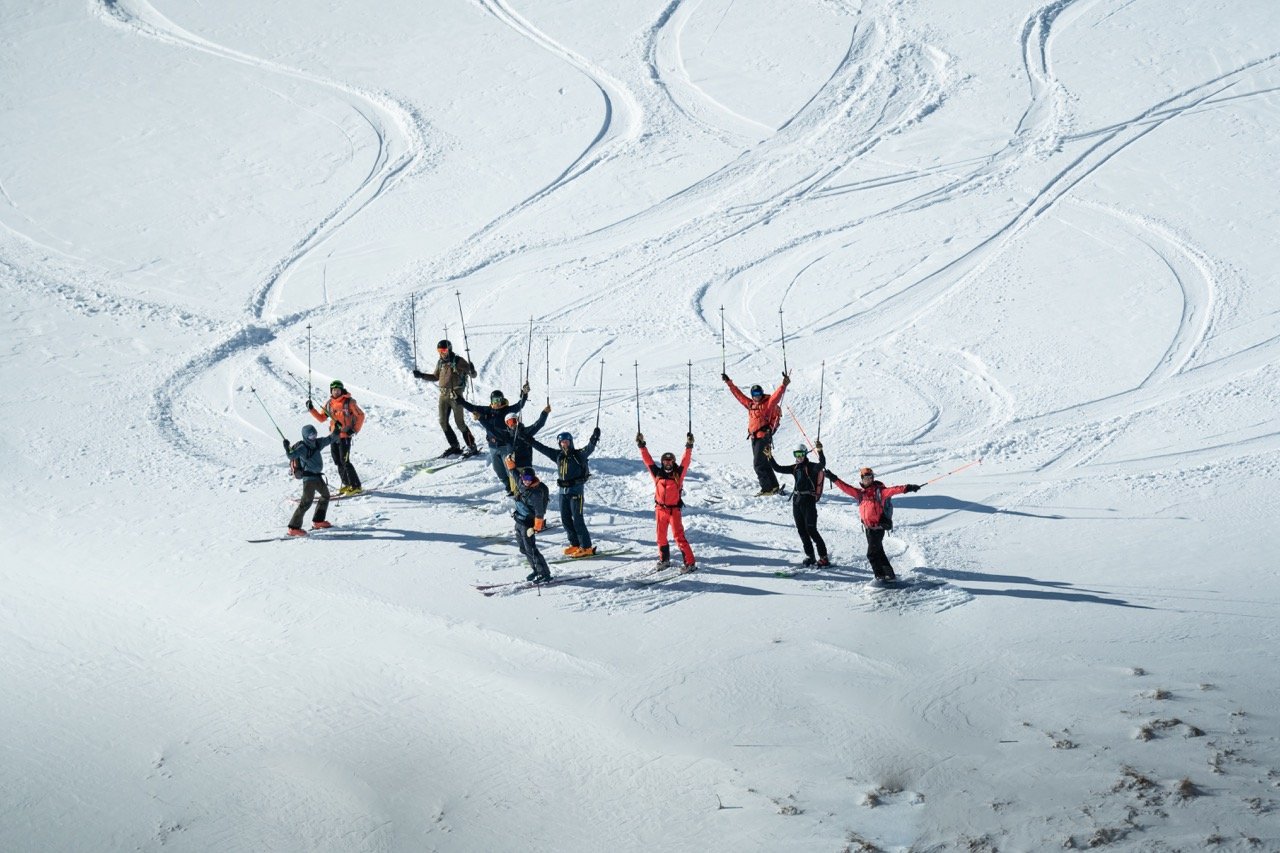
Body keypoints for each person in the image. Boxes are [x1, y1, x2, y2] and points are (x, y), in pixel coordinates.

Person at [825, 466, 920, 581]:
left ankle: (880, 576)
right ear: (862, 479)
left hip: (878, 528)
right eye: (866, 478)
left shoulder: (879, 492)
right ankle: (889, 575)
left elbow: (894, 490)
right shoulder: (860, 493)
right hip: (868, 529)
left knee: (871, 554)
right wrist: (833, 478)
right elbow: (845, 487)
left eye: (870, 477)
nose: (868, 480)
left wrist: (909, 488)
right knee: (879, 552)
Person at [529, 427, 601, 557]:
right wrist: (529, 439)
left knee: (577, 520)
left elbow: (589, 448)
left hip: (576, 492)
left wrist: (594, 438)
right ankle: (575, 544)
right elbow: (542, 448)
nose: (564, 444)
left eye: (566, 441)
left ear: (571, 442)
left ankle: (586, 547)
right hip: (563, 493)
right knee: (565, 519)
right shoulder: (558, 456)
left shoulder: (579, 455)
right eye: (562, 442)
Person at [636, 431, 696, 572]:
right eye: (665, 461)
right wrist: (641, 445)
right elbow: (648, 460)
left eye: (670, 461)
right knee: (661, 537)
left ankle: (690, 563)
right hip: (660, 510)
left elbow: (686, 462)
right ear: (662, 462)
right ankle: (664, 560)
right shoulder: (657, 473)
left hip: (673, 510)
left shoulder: (678, 474)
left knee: (678, 537)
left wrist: (689, 446)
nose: (668, 463)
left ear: (673, 462)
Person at [722, 371, 790, 494]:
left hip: (764, 437)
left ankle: (766, 488)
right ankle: (774, 486)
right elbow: (738, 395)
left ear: (762, 393)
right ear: (752, 395)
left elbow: (776, 397)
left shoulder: (767, 405)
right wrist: (729, 382)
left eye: (759, 393)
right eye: (754, 394)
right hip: (754, 438)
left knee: (758, 464)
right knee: (764, 462)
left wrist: (783, 385)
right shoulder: (750, 404)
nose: (757, 396)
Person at [412, 339, 479, 457]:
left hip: (456, 396)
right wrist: (421, 375)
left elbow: (472, 375)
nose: (441, 353)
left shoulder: (458, 361)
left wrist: (472, 370)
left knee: (460, 423)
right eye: (439, 350)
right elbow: (435, 377)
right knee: (443, 422)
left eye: (444, 350)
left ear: (449, 349)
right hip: (443, 396)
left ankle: (472, 446)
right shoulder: (440, 362)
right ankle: (455, 446)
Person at [767, 441, 830, 567]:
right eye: (796, 454)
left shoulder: (811, 467)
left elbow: (822, 464)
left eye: (801, 453)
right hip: (797, 501)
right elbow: (778, 468)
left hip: (808, 501)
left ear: (805, 453)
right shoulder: (794, 468)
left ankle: (824, 557)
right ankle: (810, 556)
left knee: (811, 530)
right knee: (801, 530)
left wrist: (820, 450)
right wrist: (770, 456)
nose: (799, 456)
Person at [459, 384, 529, 495]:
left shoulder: (507, 410)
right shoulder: (487, 410)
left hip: (505, 446)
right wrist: (459, 400)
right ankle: (508, 488)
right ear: (491, 400)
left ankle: (517, 490)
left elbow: (519, 405)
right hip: (492, 447)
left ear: (502, 400)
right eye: (495, 400)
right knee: (499, 471)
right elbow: (472, 408)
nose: (497, 402)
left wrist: (524, 395)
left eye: (499, 400)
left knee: (510, 470)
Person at [307, 379, 365, 495]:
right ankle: (347, 484)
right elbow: (322, 418)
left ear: (342, 390)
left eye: (338, 390)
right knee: (338, 461)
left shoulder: (349, 402)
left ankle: (356, 486)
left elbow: (361, 416)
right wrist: (311, 409)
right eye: (334, 390)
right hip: (334, 436)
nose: (336, 392)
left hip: (345, 436)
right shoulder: (329, 404)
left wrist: (354, 430)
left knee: (345, 461)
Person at [284, 424, 337, 536]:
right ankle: (293, 528)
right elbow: (291, 456)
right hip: (309, 479)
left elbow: (330, 439)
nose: (313, 437)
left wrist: (336, 430)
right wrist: (286, 447)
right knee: (306, 503)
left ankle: (318, 521)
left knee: (326, 495)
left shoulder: (317, 443)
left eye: (314, 434)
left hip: (317, 476)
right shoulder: (302, 448)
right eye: (311, 436)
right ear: (305, 436)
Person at [511, 468, 552, 583]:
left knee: (531, 549)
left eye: (530, 478)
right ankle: (536, 569)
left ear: (533, 478)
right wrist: (510, 462)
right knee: (523, 549)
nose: (527, 481)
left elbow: (539, 512)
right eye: (525, 478)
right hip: (519, 521)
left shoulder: (536, 493)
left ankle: (544, 573)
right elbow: (513, 473)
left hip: (528, 525)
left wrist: (536, 527)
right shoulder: (521, 483)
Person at [501, 403, 551, 492]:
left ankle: (533, 499)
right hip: (513, 466)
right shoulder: (507, 436)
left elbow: (539, 424)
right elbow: (492, 430)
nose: (512, 424)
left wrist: (544, 413)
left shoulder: (526, 432)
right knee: (516, 490)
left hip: (525, 465)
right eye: (509, 422)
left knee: (528, 487)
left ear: (518, 421)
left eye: (514, 421)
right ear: (506, 424)